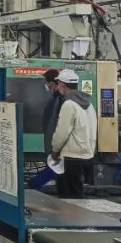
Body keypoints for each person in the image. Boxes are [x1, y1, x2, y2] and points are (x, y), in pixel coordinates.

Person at [49, 69, 97, 198]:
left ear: (62, 85)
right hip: (87, 155)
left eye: (58, 84)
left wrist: (55, 151)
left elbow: (62, 132)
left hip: (71, 157)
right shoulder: (89, 104)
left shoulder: (68, 104)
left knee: (68, 197)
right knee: (77, 195)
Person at [41, 69, 63, 154]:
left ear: (52, 83)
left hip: (55, 145)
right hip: (52, 143)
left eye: (46, 82)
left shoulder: (59, 100)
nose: (46, 85)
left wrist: (54, 148)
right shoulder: (54, 98)